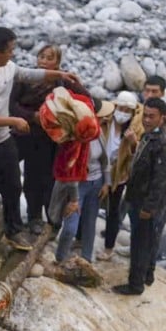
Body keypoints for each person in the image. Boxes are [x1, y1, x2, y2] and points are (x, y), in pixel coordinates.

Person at [0, 26, 80, 250]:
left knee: (13, 186)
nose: (13, 54)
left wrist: (60, 75)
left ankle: (13, 230)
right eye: (10, 50)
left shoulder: (7, 67)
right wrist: (13, 121)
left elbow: (28, 73)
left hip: (3, 141)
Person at [112, 97, 166, 296]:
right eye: (145, 116)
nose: (147, 120)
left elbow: (161, 180)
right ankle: (146, 274)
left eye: (152, 117)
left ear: (162, 117)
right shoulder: (150, 135)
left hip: (146, 202)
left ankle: (135, 284)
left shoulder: (164, 143)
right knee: (144, 240)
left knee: (141, 243)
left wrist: (148, 208)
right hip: (138, 196)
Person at [52, 97, 112, 264]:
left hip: (96, 183)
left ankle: (86, 258)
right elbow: (70, 173)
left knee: (90, 223)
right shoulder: (73, 139)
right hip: (77, 186)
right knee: (70, 227)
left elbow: (104, 160)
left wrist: (106, 182)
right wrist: (74, 199)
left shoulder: (98, 132)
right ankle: (60, 258)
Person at [10, 43, 63, 233]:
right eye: (42, 57)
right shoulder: (25, 79)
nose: (44, 61)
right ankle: (25, 216)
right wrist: (32, 117)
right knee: (13, 173)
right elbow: (10, 104)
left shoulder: (60, 83)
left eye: (50, 58)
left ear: (57, 63)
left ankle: (44, 218)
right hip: (23, 132)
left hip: (47, 138)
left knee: (43, 177)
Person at [97, 90, 143, 261]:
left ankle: (108, 247)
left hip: (118, 175)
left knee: (112, 211)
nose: (122, 113)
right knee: (90, 203)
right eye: (120, 108)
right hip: (99, 168)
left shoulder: (134, 130)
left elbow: (135, 156)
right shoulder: (105, 121)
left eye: (127, 110)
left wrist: (133, 143)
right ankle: (80, 237)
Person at [141, 75, 166, 139]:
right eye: (147, 91)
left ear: (163, 93)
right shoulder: (139, 108)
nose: (150, 95)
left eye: (154, 91)